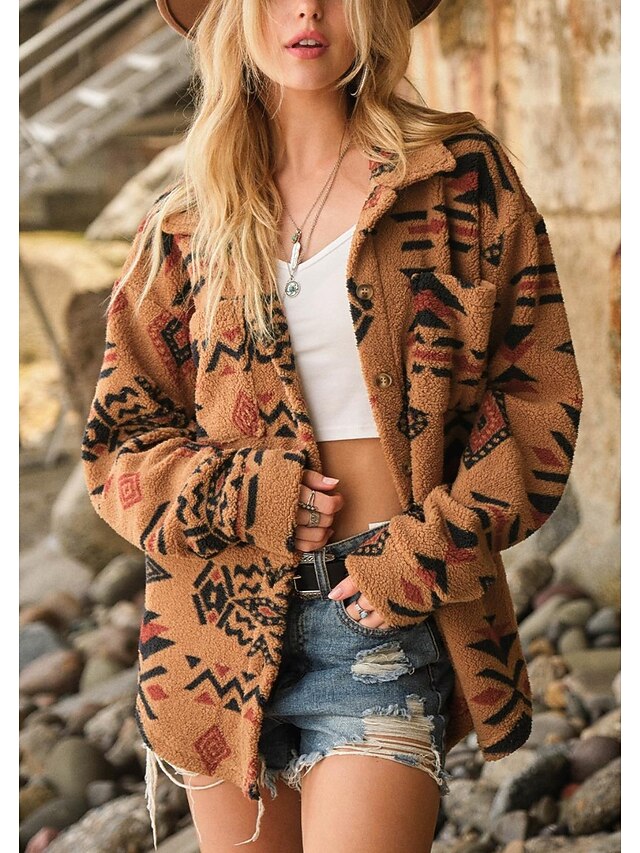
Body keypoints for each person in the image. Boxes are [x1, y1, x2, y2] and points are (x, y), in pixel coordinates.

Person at [81, 1, 584, 851]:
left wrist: (424, 553)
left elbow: (538, 402)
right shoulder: (187, 219)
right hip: (212, 637)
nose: (307, 8)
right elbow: (119, 446)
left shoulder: (459, 178)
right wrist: (247, 494)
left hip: (382, 618)